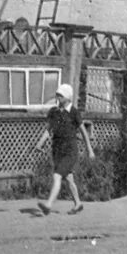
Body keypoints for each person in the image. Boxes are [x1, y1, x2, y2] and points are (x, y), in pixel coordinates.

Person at [32, 83, 94, 215]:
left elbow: (83, 132)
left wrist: (89, 149)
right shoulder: (54, 112)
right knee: (68, 178)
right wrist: (39, 143)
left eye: (60, 96)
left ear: (67, 98)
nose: (57, 97)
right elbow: (48, 130)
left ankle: (48, 205)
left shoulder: (74, 113)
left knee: (57, 175)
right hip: (57, 150)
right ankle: (78, 204)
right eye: (57, 95)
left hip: (70, 151)